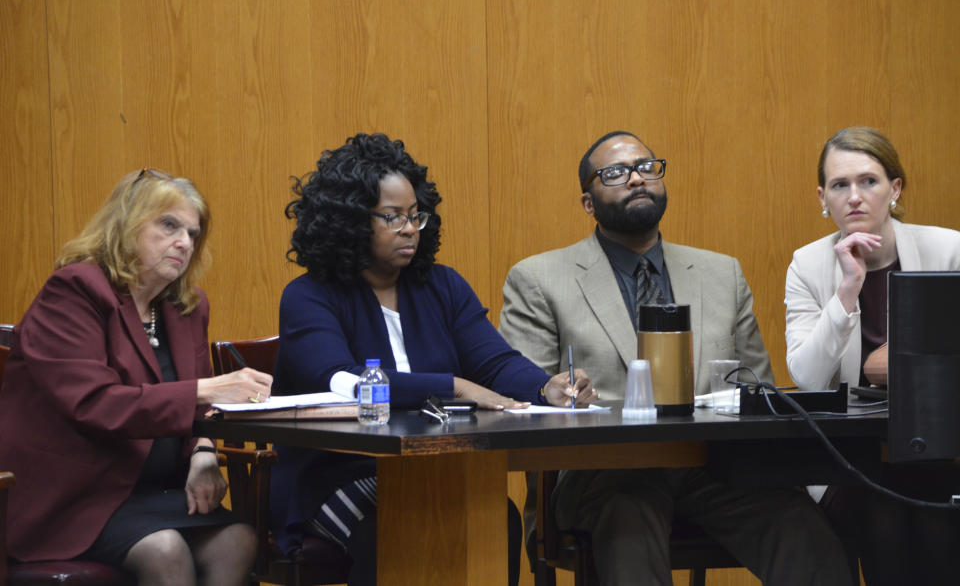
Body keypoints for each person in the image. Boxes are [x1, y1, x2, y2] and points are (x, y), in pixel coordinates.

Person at [499, 130, 851, 586]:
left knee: (807, 534)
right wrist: (562, 395)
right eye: (616, 173)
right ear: (588, 203)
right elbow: (525, 404)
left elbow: (757, 390)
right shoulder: (539, 279)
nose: (637, 179)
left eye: (647, 167)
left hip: (714, 468)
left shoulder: (720, 273)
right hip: (605, 476)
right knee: (628, 527)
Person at [269, 132, 596, 586]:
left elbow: (494, 362)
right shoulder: (308, 296)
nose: (409, 229)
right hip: (337, 472)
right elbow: (338, 379)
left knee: (494, 514)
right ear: (347, 221)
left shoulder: (442, 286)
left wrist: (546, 387)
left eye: (415, 216)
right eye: (391, 217)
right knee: (392, 528)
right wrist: (452, 386)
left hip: (435, 463)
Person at [0, 169, 273, 585]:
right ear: (126, 225)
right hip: (75, 499)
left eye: (192, 233)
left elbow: (203, 411)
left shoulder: (187, 306)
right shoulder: (74, 292)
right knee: (165, 551)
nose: (183, 242)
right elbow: (95, 403)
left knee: (238, 539)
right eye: (168, 225)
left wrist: (202, 453)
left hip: (153, 493)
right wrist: (207, 389)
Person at [785, 126, 960, 584]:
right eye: (840, 186)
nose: (855, 197)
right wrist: (847, 291)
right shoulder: (807, 265)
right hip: (850, 458)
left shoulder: (948, 250)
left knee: (939, 518)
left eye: (869, 181)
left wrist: (897, 365)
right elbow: (807, 377)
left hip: (938, 449)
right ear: (822, 197)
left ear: (895, 188)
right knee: (883, 514)